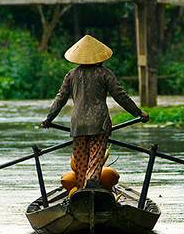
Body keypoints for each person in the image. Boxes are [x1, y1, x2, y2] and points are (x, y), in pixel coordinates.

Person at [41, 35, 149, 193]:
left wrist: (48, 119)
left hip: (78, 124)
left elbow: (60, 99)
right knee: (96, 156)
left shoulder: (71, 75)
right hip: (99, 123)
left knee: (80, 161)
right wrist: (138, 113)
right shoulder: (105, 74)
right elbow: (120, 96)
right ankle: (92, 182)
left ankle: (80, 190)